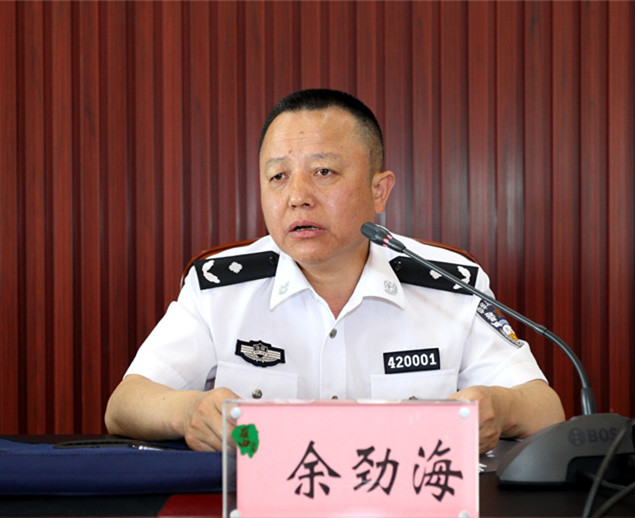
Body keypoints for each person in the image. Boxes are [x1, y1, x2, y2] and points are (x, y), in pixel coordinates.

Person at [105, 88, 564, 454]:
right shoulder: (220, 288)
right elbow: (124, 405)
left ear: (379, 190)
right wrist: (190, 412)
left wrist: (498, 408)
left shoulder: (449, 284)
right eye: (278, 176)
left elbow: (545, 409)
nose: (297, 197)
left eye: (323, 172)